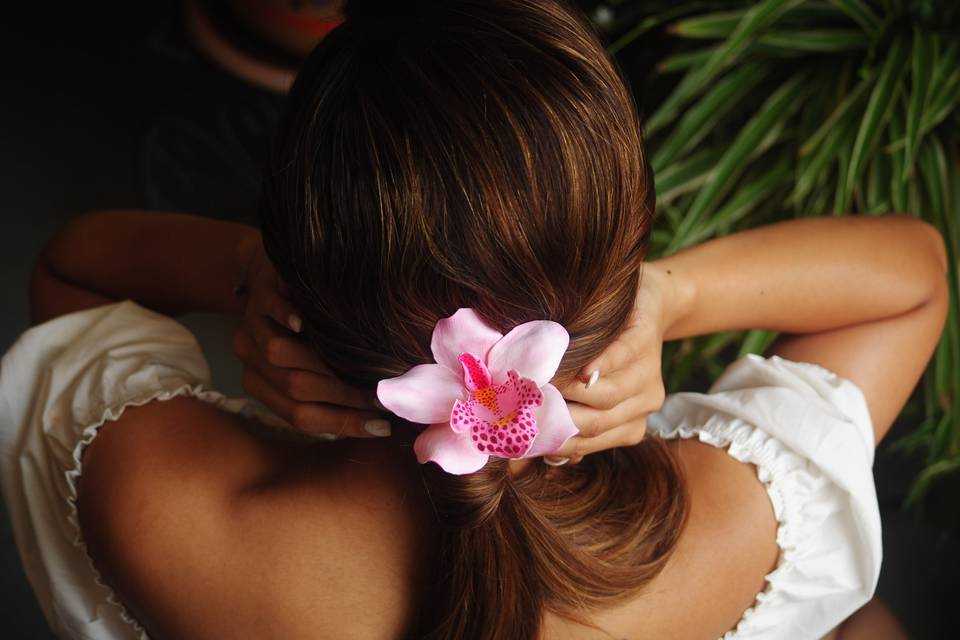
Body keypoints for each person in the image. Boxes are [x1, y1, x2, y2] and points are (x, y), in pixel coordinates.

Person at [0, 0, 946, 638]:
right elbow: (913, 274)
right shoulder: (741, 529)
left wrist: (247, 274)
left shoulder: (161, 511)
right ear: (608, 282)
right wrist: (675, 297)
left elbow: (73, 265)